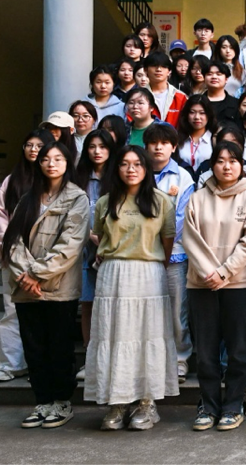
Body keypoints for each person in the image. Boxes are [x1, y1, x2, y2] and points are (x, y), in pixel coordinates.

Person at [84, 145, 179, 430]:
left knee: (147, 336)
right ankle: (117, 402)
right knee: (114, 337)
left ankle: (146, 403)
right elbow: (98, 236)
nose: (131, 169)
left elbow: (167, 242)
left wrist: (152, 265)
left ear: (146, 168)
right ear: (117, 169)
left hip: (148, 274)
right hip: (113, 275)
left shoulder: (162, 201)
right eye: (125, 164)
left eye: (137, 164)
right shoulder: (105, 202)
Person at [0, 140, 89, 429]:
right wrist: (26, 275)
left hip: (58, 286)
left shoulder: (77, 198)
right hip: (26, 288)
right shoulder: (28, 197)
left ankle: (62, 402)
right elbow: (12, 240)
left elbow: (70, 244)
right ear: (38, 163)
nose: (52, 164)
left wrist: (37, 274)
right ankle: (42, 402)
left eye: (58, 159)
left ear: (67, 164)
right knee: (34, 348)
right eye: (46, 159)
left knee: (59, 348)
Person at [182, 140, 246, 431]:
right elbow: (190, 238)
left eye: (233, 160)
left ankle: (233, 404)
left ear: (242, 165)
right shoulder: (198, 198)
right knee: (205, 352)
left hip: (240, 284)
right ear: (212, 165)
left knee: (238, 350)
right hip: (201, 284)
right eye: (220, 161)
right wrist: (211, 274)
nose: (226, 166)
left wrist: (225, 272)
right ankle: (208, 405)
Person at [0, 131, 49, 384]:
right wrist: (12, 254)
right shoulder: (12, 180)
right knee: (12, 311)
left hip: (46, 258)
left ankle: (39, 367)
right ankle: (11, 365)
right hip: (13, 255)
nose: (33, 149)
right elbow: (1, 219)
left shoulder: (56, 180)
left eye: (39, 145)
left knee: (45, 314)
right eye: (29, 145)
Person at [143, 123, 197, 381]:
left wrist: (160, 245)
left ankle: (180, 359)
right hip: (140, 255)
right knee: (146, 310)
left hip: (174, 254)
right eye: (153, 143)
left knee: (177, 311)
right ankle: (149, 360)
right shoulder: (138, 171)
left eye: (164, 143)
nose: (158, 147)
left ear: (174, 147)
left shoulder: (182, 177)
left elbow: (181, 218)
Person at [74, 129, 114, 358]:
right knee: (87, 302)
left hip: (112, 249)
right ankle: (89, 354)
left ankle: (107, 354)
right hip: (83, 248)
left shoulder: (117, 176)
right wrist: (90, 235)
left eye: (103, 146)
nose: (97, 151)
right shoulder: (77, 177)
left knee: (109, 303)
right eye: (92, 147)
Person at [144, 51, 187, 127]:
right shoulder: (137, 95)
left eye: (163, 66)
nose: (159, 69)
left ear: (169, 71)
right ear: (145, 70)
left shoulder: (181, 97)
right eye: (154, 65)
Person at [177, 95, 215, 178]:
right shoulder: (178, 139)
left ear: (209, 115)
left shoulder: (214, 139)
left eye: (202, 113)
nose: (197, 117)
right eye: (192, 112)